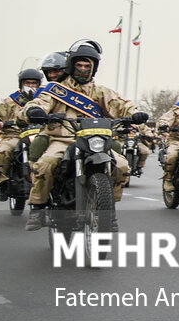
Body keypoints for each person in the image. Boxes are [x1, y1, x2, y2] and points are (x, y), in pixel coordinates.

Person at [21, 40, 146, 230]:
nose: (83, 69)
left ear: (94, 68)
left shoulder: (102, 92)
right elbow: (38, 103)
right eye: (79, 65)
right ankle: (37, 207)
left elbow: (123, 105)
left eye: (87, 65)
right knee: (46, 164)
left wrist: (136, 113)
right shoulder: (55, 90)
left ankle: (108, 210)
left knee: (121, 165)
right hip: (62, 139)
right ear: (71, 65)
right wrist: (33, 112)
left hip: (96, 139)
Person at [0, 68, 43, 197]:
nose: (30, 86)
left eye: (33, 83)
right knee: (2, 152)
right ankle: (2, 183)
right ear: (21, 84)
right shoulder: (11, 101)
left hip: (39, 133)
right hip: (15, 135)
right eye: (27, 83)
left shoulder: (44, 99)